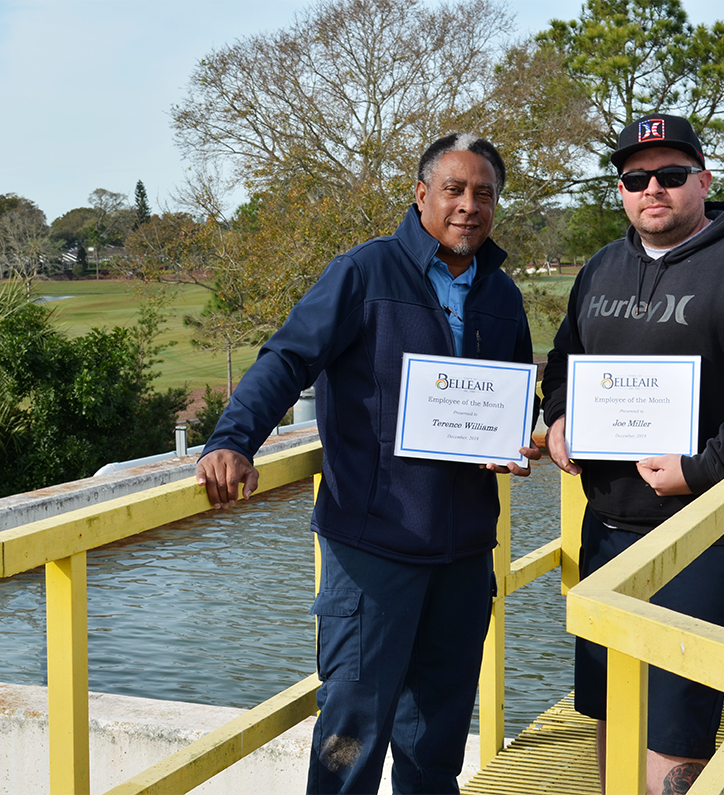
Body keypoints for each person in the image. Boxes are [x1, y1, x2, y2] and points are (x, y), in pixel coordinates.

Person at [196, 133, 539, 795]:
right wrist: (232, 439)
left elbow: (511, 392)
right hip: (373, 551)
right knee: (347, 752)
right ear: (421, 195)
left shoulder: (502, 296)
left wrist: (517, 439)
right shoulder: (364, 273)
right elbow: (289, 357)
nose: (469, 205)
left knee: (435, 753)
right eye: (454, 189)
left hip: (465, 557)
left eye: (484, 193)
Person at [540, 113, 724, 792]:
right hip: (605, 534)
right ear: (621, 190)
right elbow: (563, 359)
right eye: (636, 178)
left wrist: (699, 468)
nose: (652, 189)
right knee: (611, 708)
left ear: (704, 178)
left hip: (700, 535)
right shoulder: (602, 267)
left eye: (670, 174)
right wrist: (557, 418)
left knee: (673, 734)